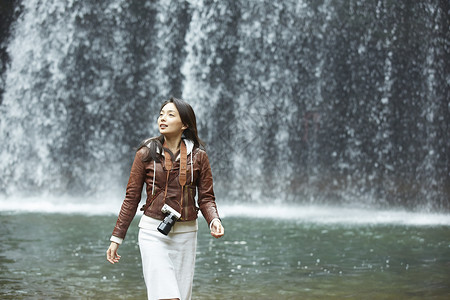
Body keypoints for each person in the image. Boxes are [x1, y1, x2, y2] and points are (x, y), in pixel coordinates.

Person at [106, 97, 224, 300]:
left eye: (170, 115)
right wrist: (117, 237)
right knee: (168, 297)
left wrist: (214, 219)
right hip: (152, 233)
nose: (163, 118)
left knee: (180, 296)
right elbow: (131, 198)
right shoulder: (146, 153)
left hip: (186, 234)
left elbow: (206, 198)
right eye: (161, 114)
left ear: (184, 124)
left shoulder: (199, 156)